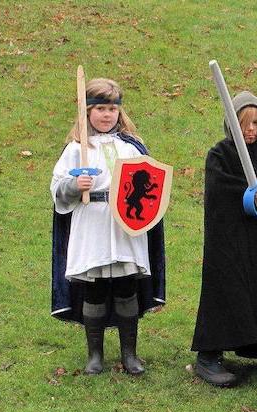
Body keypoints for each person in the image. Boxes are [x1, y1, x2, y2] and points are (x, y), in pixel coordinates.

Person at [51, 77, 166, 375]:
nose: (106, 115)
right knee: (95, 290)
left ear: (119, 112)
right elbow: (57, 189)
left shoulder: (131, 147)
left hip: (126, 226)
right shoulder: (77, 149)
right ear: (87, 112)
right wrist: (75, 185)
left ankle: (130, 354)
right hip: (92, 225)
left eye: (111, 109)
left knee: (127, 286)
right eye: (100, 108)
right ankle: (95, 356)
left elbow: (150, 181)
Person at [191, 92, 257, 387]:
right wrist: (245, 196)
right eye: (244, 124)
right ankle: (209, 356)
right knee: (227, 290)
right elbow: (219, 196)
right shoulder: (219, 156)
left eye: (256, 124)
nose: (250, 130)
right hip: (230, 244)